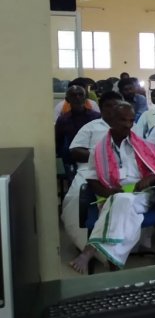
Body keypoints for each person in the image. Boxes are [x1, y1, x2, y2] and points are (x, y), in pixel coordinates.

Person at [69, 103, 155, 273]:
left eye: (131, 120)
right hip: (111, 194)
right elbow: (92, 180)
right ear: (111, 120)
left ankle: (90, 250)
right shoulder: (98, 150)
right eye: (122, 120)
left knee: (122, 200)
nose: (127, 124)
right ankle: (114, 258)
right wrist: (108, 193)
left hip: (142, 194)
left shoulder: (143, 145)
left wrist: (149, 179)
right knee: (125, 207)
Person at [60, 91, 123, 253]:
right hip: (90, 169)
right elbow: (75, 151)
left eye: (117, 106)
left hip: (123, 170)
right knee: (77, 196)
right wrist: (101, 156)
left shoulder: (130, 126)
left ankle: (122, 244)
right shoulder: (91, 127)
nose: (113, 110)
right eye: (109, 106)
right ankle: (88, 245)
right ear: (101, 109)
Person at [55, 85, 101, 166]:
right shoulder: (63, 119)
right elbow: (58, 141)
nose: (77, 97)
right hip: (71, 158)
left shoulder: (96, 117)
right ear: (67, 99)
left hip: (93, 158)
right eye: (73, 95)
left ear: (86, 97)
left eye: (80, 94)